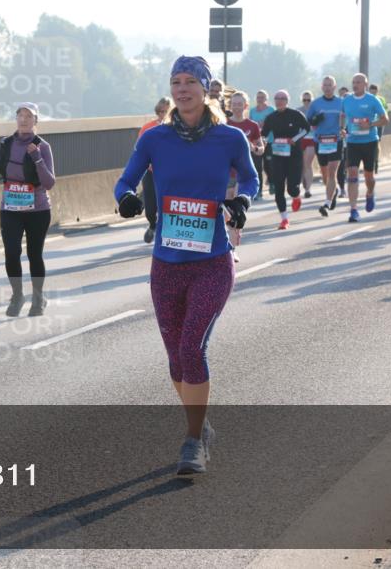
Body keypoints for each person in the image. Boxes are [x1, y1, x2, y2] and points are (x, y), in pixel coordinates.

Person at [114, 55, 258, 475]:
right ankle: (202, 423)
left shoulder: (229, 138)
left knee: (193, 348)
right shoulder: (154, 138)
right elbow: (126, 179)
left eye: (190, 81)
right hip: (167, 263)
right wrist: (125, 198)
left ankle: (193, 441)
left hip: (212, 260)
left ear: (206, 87)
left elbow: (250, 179)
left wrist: (240, 202)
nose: (181, 88)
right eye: (175, 81)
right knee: (176, 359)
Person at [0, 102, 56, 317]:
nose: (24, 120)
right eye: (20, 115)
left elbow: (49, 182)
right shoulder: (6, 143)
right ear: (16, 119)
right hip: (10, 207)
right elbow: (5, 172)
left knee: (34, 254)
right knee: (11, 253)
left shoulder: (42, 146)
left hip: (37, 209)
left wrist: (37, 158)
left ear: (36, 121)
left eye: (29, 116)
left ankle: (38, 298)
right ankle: (17, 295)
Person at [340, 73, 388, 222]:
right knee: (352, 174)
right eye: (354, 82)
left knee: (369, 176)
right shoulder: (346, 100)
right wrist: (342, 129)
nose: (355, 85)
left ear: (365, 84)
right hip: (353, 142)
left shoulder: (372, 100)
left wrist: (371, 124)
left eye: (359, 82)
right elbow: (342, 116)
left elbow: (385, 119)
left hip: (369, 141)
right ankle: (353, 210)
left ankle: (370, 193)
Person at [262, 91, 311, 229]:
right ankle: (284, 219)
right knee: (278, 187)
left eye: (282, 98)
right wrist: (264, 142)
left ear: (287, 100)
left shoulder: (295, 114)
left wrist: (294, 140)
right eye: (277, 98)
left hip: (294, 156)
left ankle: (296, 196)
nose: (279, 101)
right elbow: (264, 134)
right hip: (278, 156)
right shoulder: (271, 117)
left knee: (292, 188)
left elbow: (306, 129)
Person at [226, 91, 263, 259]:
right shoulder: (224, 123)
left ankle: (233, 247)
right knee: (225, 208)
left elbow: (261, 148)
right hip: (226, 172)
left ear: (246, 106)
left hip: (243, 173)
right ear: (230, 105)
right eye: (234, 103)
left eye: (240, 103)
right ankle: (227, 243)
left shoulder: (252, 126)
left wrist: (255, 148)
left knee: (236, 207)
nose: (236, 106)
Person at [306, 76, 345, 217]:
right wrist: (315, 119)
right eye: (325, 85)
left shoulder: (341, 102)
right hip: (320, 141)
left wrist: (344, 129)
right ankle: (332, 194)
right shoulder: (316, 104)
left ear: (334, 87)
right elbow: (308, 121)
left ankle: (327, 203)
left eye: (330, 85)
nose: (328, 87)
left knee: (332, 171)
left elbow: (347, 118)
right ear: (322, 87)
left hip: (336, 140)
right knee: (325, 174)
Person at [137, 98, 173, 242]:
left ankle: (167, 232)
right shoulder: (148, 127)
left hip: (169, 173)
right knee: (151, 206)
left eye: (166, 111)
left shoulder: (175, 127)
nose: (162, 114)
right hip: (151, 171)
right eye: (160, 111)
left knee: (167, 204)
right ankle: (152, 225)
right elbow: (139, 150)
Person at [249, 89, 275, 198]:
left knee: (268, 165)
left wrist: (265, 124)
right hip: (256, 141)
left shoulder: (271, 110)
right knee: (257, 166)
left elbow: (275, 123)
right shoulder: (252, 111)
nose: (260, 99)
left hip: (269, 140)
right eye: (258, 97)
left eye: (262, 97)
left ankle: (272, 183)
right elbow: (250, 124)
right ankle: (258, 190)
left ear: (266, 99)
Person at [298, 91, 317, 197]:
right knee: (302, 165)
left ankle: (308, 190)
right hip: (300, 139)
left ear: (312, 100)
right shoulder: (298, 110)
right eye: (304, 100)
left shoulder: (316, 111)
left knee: (307, 163)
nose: (306, 102)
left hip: (311, 138)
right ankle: (304, 183)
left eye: (308, 100)